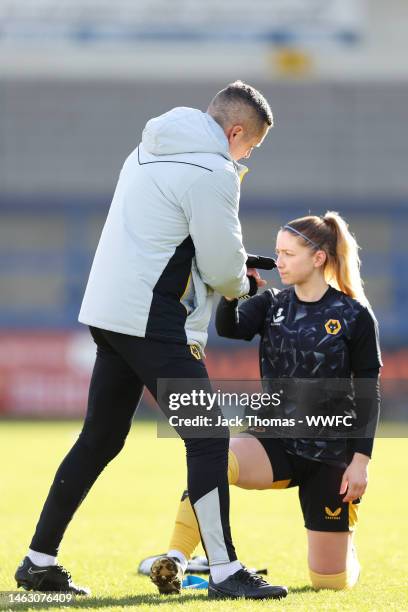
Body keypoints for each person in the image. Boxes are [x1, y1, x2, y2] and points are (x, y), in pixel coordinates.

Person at [15, 81, 288, 601]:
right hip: (151, 318)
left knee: (100, 438)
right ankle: (225, 571)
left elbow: (170, 234)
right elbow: (222, 269)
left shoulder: (147, 148)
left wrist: (228, 260)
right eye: (251, 146)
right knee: (209, 438)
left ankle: (38, 562)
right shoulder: (214, 170)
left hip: (110, 312)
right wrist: (239, 277)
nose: (248, 154)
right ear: (235, 132)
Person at [148, 211, 382, 595]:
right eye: (278, 252)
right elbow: (230, 327)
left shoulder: (353, 315)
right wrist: (233, 294)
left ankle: (346, 549)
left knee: (329, 582)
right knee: (215, 458)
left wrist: (361, 461)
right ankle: (175, 558)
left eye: (288, 254)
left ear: (319, 258)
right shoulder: (272, 303)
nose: (279, 262)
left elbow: (368, 390)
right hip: (275, 441)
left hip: (330, 455)